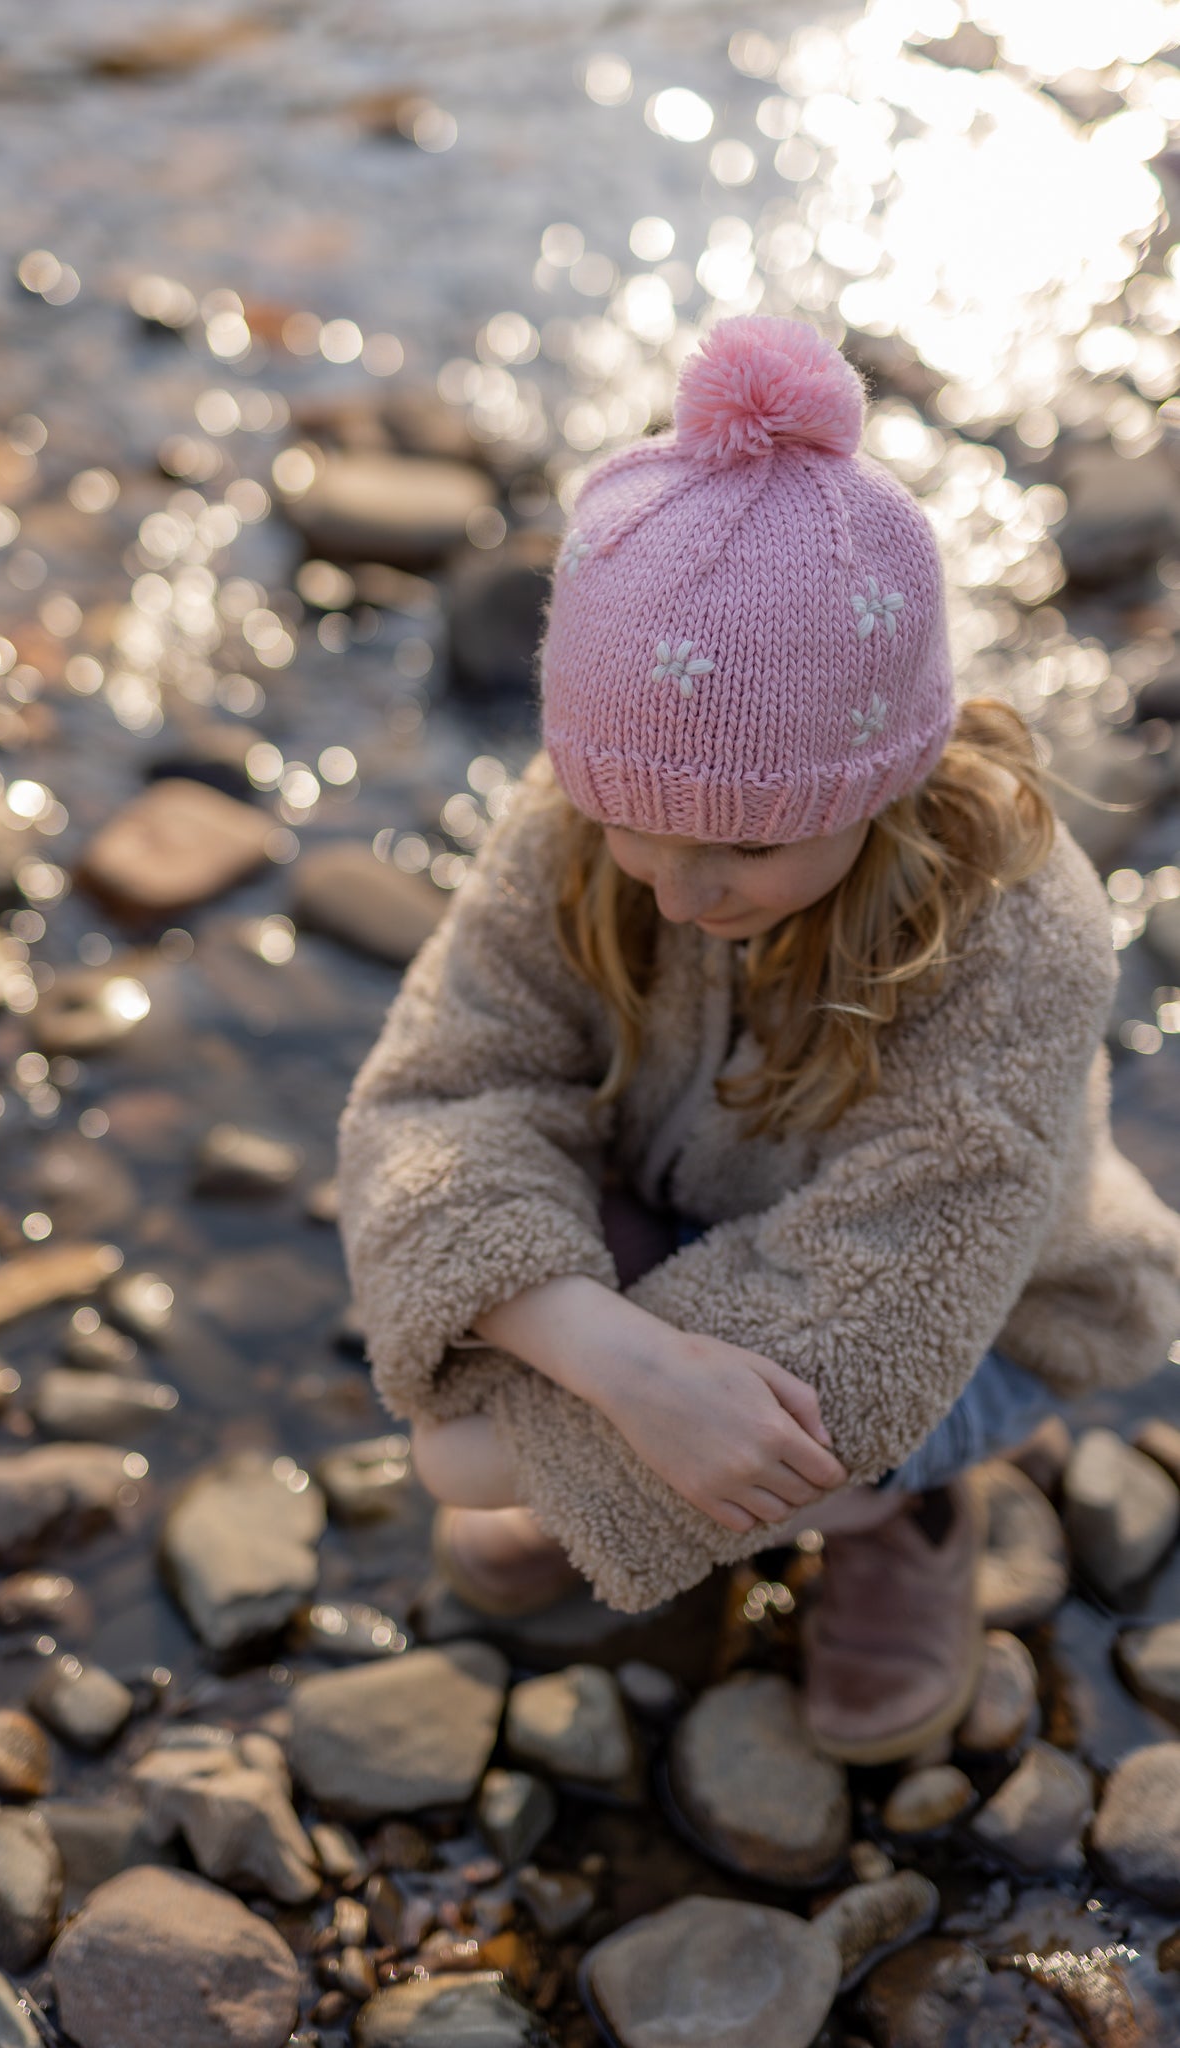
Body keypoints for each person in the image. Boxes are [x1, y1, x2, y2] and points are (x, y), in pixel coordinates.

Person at [335, 315, 1180, 1765]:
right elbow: (440, 1091)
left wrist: (543, 1438)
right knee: (478, 1458)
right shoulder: (572, 830)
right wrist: (616, 1365)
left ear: (883, 773)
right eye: (633, 827)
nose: (679, 888)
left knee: (483, 1458)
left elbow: (895, 1291)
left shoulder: (1013, 930)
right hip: (680, 1226)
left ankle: (903, 1507)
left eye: (744, 843)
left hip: (967, 1304)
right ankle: (707, 1466)